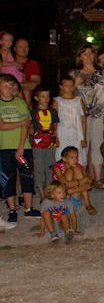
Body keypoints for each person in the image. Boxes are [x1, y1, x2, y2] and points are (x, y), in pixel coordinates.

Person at [71, 44, 104, 185]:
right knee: (82, 145)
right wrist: (75, 83)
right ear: (80, 56)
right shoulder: (74, 74)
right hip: (80, 115)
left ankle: (98, 178)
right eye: (85, 54)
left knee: (97, 144)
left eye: (91, 53)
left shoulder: (102, 73)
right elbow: (66, 93)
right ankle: (81, 176)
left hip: (100, 113)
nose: (88, 56)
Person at [0, 74, 40, 221]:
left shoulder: (20, 102)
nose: (9, 89)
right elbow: (2, 126)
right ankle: (12, 210)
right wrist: (21, 122)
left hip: (23, 148)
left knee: (26, 175)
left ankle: (28, 208)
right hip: (6, 148)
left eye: (11, 86)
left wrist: (21, 147)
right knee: (9, 177)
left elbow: (26, 124)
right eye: (6, 86)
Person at [30, 85, 60, 204]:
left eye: (47, 96)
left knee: (50, 167)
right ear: (36, 98)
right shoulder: (33, 112)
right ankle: (42, 194)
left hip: (50, 143)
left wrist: (57, 138)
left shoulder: (53, 111)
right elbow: (30, 127)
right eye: (42, 96)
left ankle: (49, 192)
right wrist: (31, 133)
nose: (46, 99)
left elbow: (55, 126)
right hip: (38, 144)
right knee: (39, 168)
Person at [52, 146, 95, 214]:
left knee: (76, 169)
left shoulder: (78, 166)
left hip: (74, 195)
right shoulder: (58, 167)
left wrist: (72, 190)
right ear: (64, 159)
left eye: (76, 157)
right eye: (72, 158)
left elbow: (89, 184)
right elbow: (65, 184)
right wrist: (81, 181)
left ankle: (87, 204)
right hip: (63, 197)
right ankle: (65, 205)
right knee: (70, 172)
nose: (75, 160)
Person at [14, 38, 41, 107]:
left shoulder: (33, 64)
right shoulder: (7, 64)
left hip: (27, 105)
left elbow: (35, 84)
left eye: (26, 47)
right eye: (21, 47)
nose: (24, 49)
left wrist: (15, 86)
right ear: (15, 49)